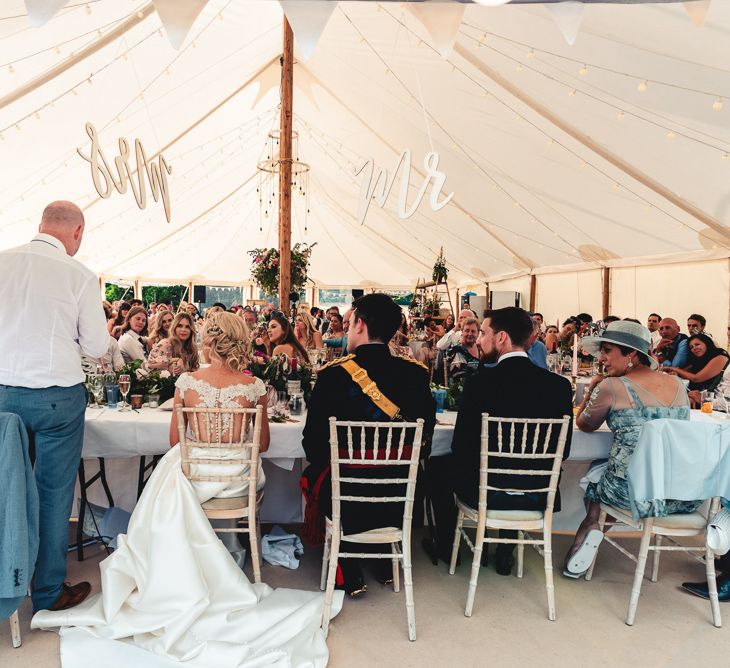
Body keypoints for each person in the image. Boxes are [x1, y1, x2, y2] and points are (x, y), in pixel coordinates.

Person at [34, 311, 339, 666]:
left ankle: (173, 570)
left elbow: (175, 439)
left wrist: (204, 442)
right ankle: (230, 557)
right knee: (185, 475)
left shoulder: (186, 384)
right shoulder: (254, 386)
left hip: (196, 478)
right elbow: (263, 446)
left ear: (208, 343)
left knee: (168, 475)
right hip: (238, 480)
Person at [0, 201, 109, 612]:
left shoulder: (2, 262)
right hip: (56, 397)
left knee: (5, 489)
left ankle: (8, 579)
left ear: (41, 224)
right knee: (52, 494)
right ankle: (46, 591)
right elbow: (98, 347)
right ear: (77, 232)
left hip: (2, 392)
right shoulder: (78, 275)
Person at [301, 293, 436, 596]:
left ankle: (346, 559)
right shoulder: (415, 374)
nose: (347, 330)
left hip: (345, 495)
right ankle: (385, 556)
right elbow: (424, 439)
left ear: (360, 325)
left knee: (317, 475)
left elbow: (312, 445)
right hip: (400, 493)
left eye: (349, 324)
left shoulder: (333, 376)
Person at [425, 307, 573, 575]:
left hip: (486, 491)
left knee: (437, 466)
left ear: (502, 337)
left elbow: (461, 448)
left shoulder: (480, 384)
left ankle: (447, 547)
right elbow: (564, 451)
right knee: (509, 471)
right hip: (537, 494)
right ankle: (506, 550)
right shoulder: (559, 387)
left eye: (484, 333)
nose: (479, 339)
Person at [564, 321, 700, 577]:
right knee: (609, 471)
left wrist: (592, 388)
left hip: (631, 494)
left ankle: (589, 534)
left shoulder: (612, 386)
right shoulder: (679, 386)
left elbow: (584, 424)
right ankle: (593, 536)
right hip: (679, 493)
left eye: (607, 350)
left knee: (598, 483)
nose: (602, 358)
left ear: (632, 354)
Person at [665, 333, 729, 393]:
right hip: (699, 394)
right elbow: (685, 372)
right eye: (691, 347)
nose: (694, 348)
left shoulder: (721, 357)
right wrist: (676, 373)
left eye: (697, 344)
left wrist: (675, 369)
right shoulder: (700, 359)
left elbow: (696, 378)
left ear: (706, 343)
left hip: (717, 398)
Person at [446, 317, 481, 382]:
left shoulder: (481, 349)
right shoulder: (456, 350)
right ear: (462, 332)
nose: (470, 334)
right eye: (467, 331)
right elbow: (455, 378)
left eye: (473, 331)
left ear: (478, 333)